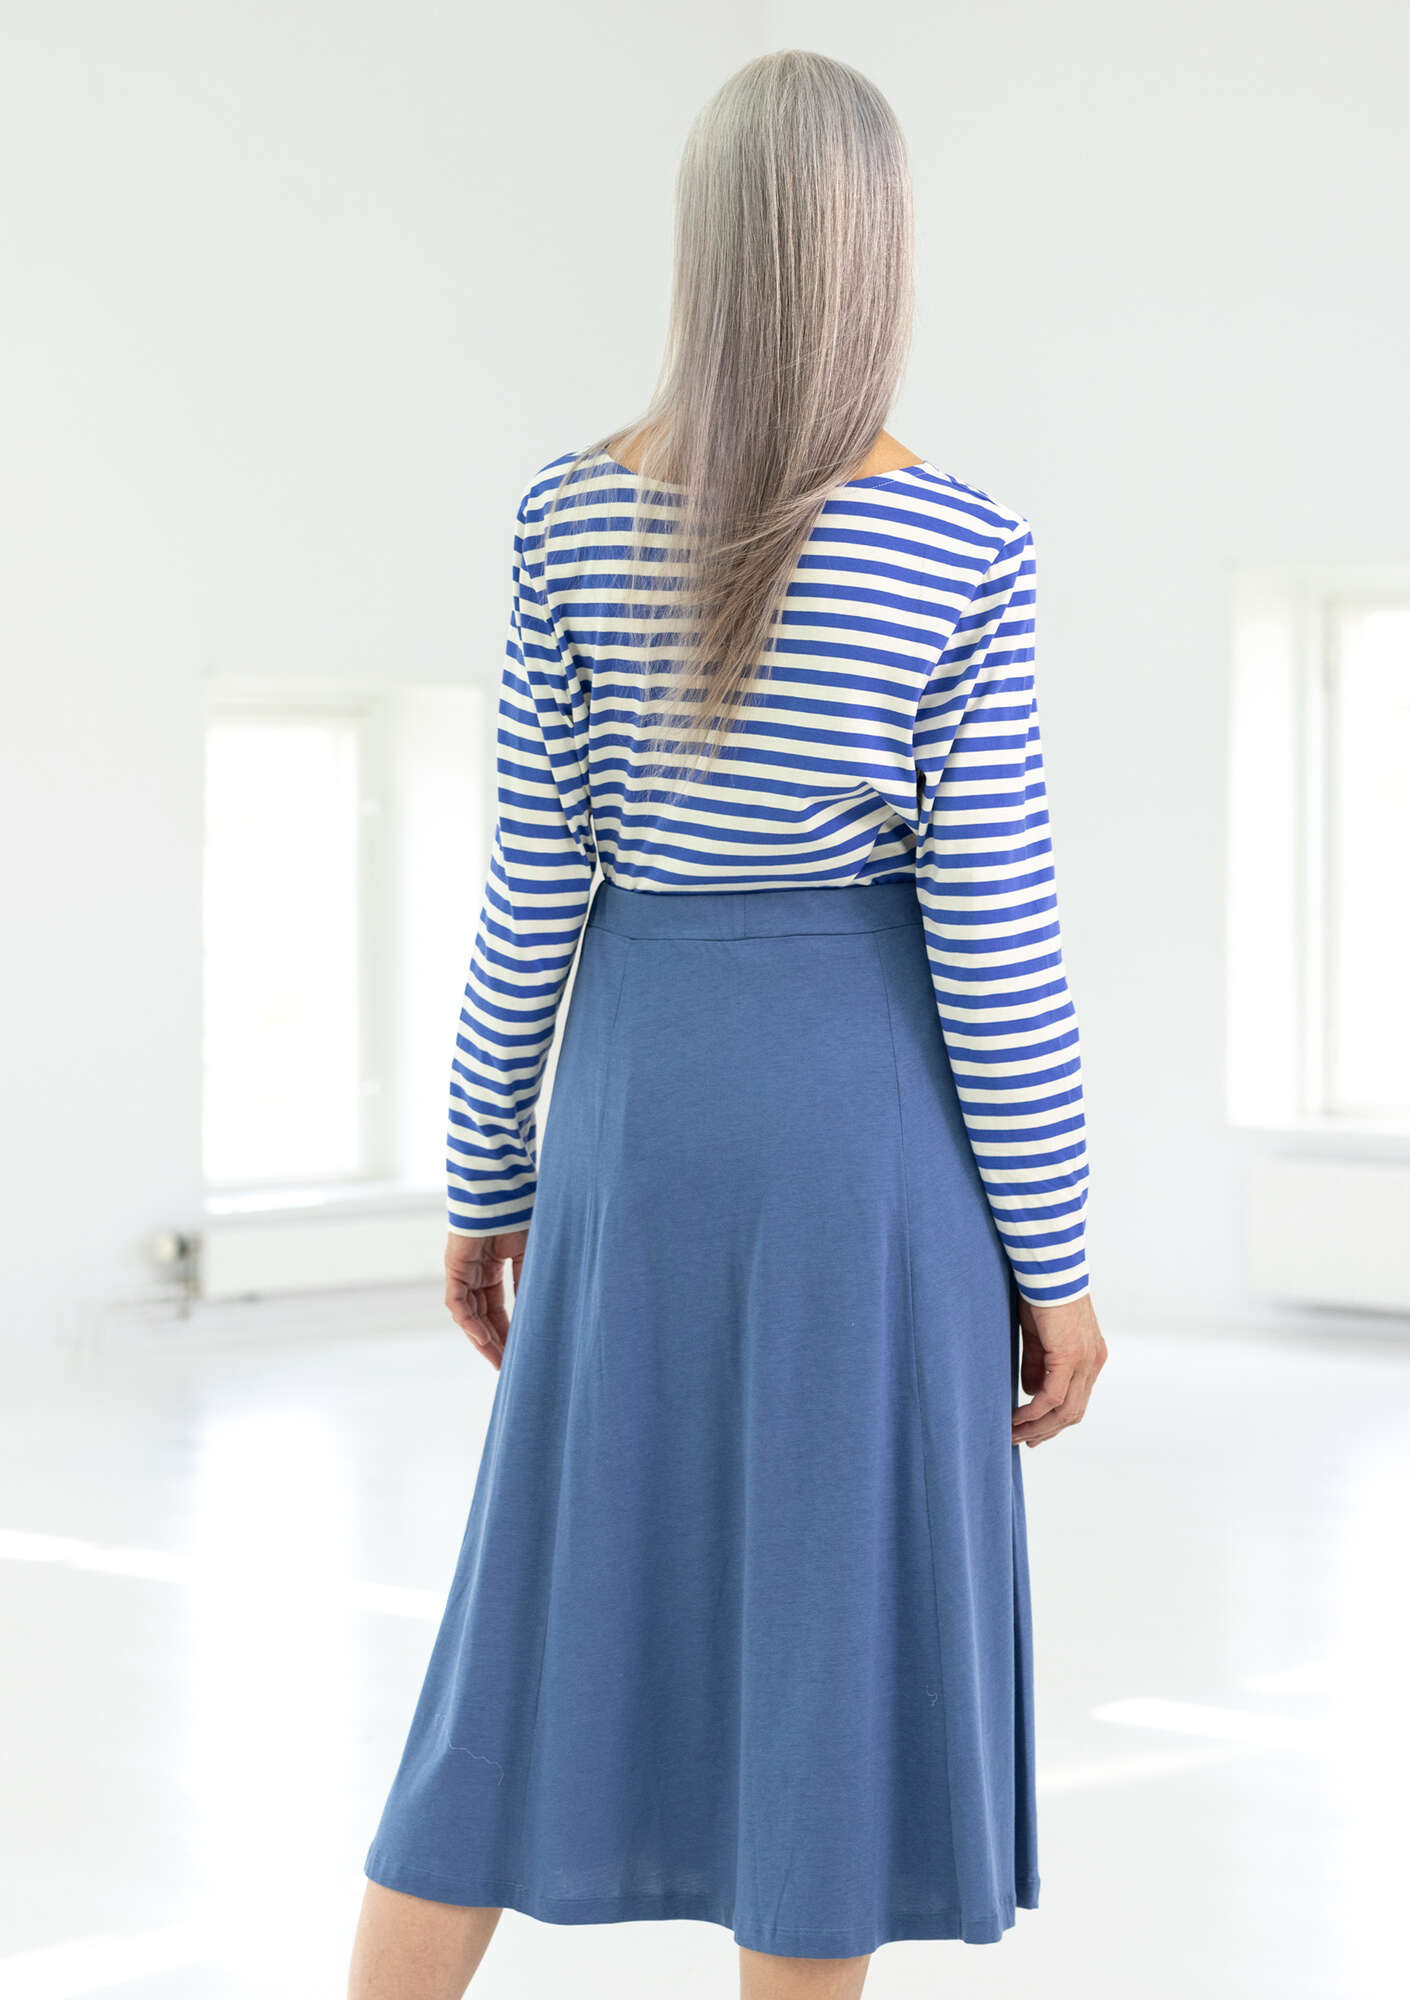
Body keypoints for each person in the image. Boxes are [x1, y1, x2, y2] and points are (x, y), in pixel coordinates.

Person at [347, 46, 1106, 2000]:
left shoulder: (565, 516)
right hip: (864, 1147)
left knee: (528, 1627)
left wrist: (483, 1182)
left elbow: (532, 893)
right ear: (880, 252)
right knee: (823, 1660)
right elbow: (996, 942)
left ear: (704, 244)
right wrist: (1056, 1260)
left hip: (635, 1114)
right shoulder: (962, 545)